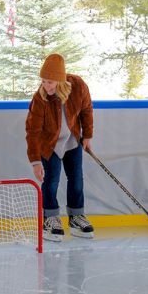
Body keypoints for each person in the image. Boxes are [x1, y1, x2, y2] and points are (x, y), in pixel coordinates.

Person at [25, 53, 94, 242]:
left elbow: (87, 110)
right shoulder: (40, 98)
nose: (46, 86)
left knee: (76, 180)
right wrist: (35, 161)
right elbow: (32, 130)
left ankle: (76, 217)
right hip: (49, 145)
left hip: (71, 141)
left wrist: (87, 135)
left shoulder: (78, 86)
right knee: (51, 180)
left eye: (50, 82)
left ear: (60, 80)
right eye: (44, 81)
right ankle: (50, 218)